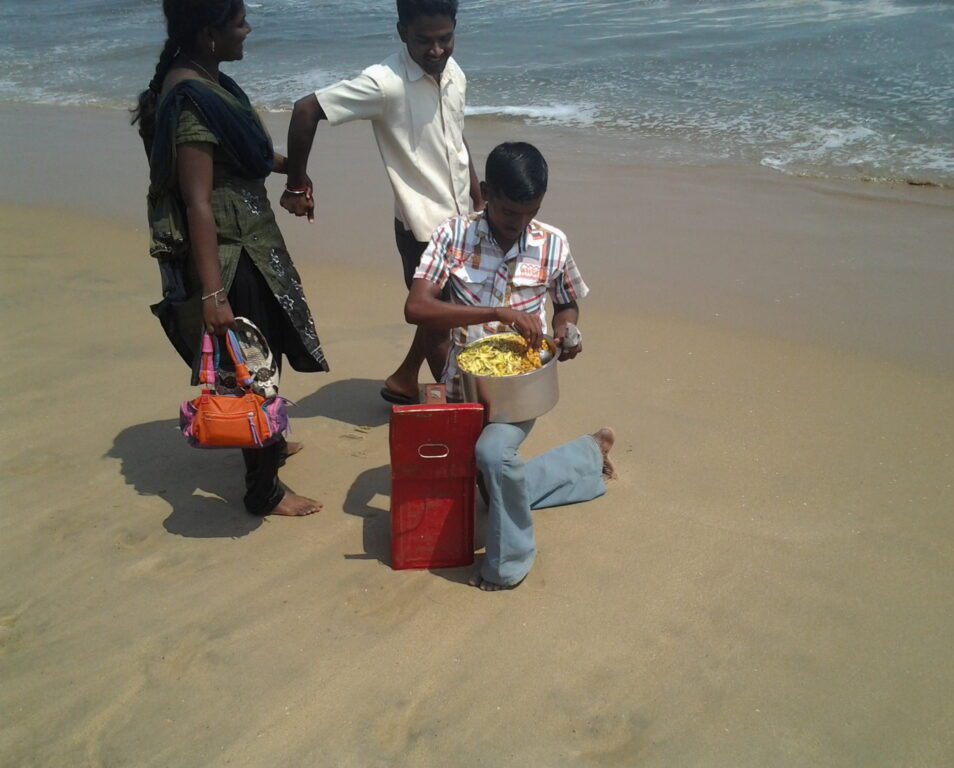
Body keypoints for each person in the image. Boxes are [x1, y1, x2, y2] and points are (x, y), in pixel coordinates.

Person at [133, 0, 328, 517]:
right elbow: (198, 199)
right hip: (230, 254)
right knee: (251, 369)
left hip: (252, 240)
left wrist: (295, 170)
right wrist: (214, 294)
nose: (248, 29)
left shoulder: (207, 80)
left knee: (268, 349)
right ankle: (263, 490)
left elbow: (247, 156)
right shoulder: (192, 99)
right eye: (238, 22)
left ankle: (270, 441)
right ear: (207, 35)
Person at [404, 142, 616, 590]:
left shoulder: (552, 243)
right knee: (493, 487)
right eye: (507, 213)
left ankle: (509, 565)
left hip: (522, 387)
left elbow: (566, 303)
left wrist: (570, 331)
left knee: (492, 456)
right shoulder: (452, 236)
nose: (519, 225)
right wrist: (496, 314)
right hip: (461, 384)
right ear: (486, 192)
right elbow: (417, 308)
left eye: (530, 212)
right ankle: (588, 455)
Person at [280, 0, 482, 406]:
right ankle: (471, 409)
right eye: (424, 40)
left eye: (446, 39)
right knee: (443, 324)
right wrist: (296, 184)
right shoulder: (384, 82)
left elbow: (455, 140)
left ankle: (406, 378)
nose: (436, 51)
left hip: (463, 221)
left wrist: (478, 200)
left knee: (445, 313)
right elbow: (306, 110)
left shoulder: (453, 73)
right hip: (421, 227)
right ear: (401, 31)